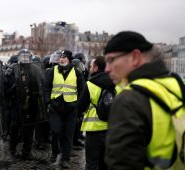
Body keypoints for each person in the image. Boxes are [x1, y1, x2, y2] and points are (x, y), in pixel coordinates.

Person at [104, 31, 182, 170]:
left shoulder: (130, 98)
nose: (107, 69)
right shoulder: (176, 85)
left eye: (111, 60)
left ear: (135, 57)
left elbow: (122, 164)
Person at [44, 49, 85, 168]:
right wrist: (48, 102)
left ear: (69, 59)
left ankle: (65, 159)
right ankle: (54, 152)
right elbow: (47, 87)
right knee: (56, 131)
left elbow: (82, 90)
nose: (61, 59)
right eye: (60, 57)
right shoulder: (53, 70)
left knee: (68, 134)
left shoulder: (77, 72)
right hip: (55, 106)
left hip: (71, 108)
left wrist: (78, 105)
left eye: (64, 57)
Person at [77, 56, 114, 170]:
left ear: (96, 68)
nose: (90, 67)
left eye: (91, 65)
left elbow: (80, 106)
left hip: (94, 130)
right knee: (106, 164)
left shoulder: (90, 84)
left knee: (92, 163)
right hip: (112, 129)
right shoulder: (116, 82)